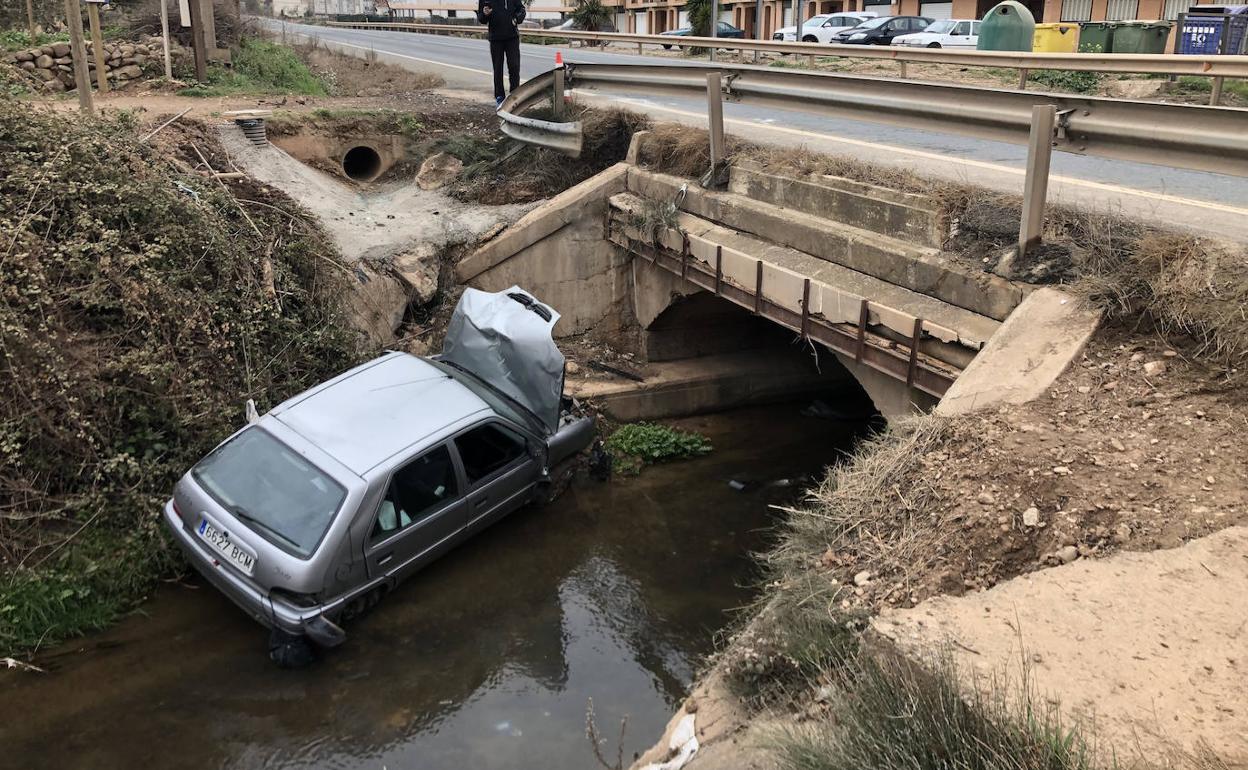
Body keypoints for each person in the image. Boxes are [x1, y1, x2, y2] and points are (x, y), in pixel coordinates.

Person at [477, 0, 526, 109]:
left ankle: (515, 95)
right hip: (495, 38)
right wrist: (485, 14)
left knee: (514, 66)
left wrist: (516, 19)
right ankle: (499, 96)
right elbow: (481, 18)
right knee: (497, 68)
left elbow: (521, 9)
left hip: (512, 37)